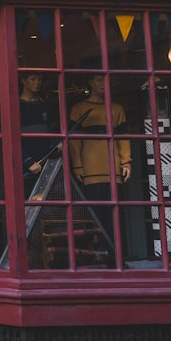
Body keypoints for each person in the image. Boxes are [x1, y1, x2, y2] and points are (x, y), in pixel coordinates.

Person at [68, 74, 131, 241]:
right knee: (94, 215)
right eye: (98, 79)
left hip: (113, 169)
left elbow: (123, 137)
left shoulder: (116, 109)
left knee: (115, 216)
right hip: (90, 170)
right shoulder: (79, 109)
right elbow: (74, 141)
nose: (103, 83)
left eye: (105, 79)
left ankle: (116, 255)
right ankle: (98, 253)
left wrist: (126, 161)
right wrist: (78, 166)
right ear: (89, 82)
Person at [19, 73, 60, 197]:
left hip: (46, 163)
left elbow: (53, 131)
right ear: (23, 81)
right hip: (25, 166)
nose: (37, 82)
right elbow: (11, 140)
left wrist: (57, 145)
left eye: (40, 79)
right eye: (33, 79)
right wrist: (27, 161)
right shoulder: (15, 106)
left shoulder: (45, 105)